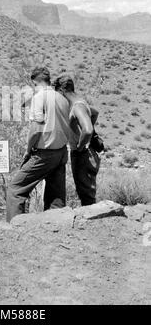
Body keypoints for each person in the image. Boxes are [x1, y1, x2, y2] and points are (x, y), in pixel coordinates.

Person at [6, 67, 71, 222]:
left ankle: (14, 228)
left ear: (35, 82)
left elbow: (36, 129)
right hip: (61, 152)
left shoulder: (39, 97)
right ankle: (56, 227)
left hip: (44, 154)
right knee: (56, 195)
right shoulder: (62, 99)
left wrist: (28, 151)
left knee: (15, 190)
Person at [53, 75, 101, 206]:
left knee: (86, 195)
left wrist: (80, 146)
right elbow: (95, 112)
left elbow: (87, 130)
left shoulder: (76, 106)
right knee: (86, 192)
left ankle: (92, 223)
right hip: (87, 153)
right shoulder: (80, 102)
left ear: (62, 91)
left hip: (83, 155)